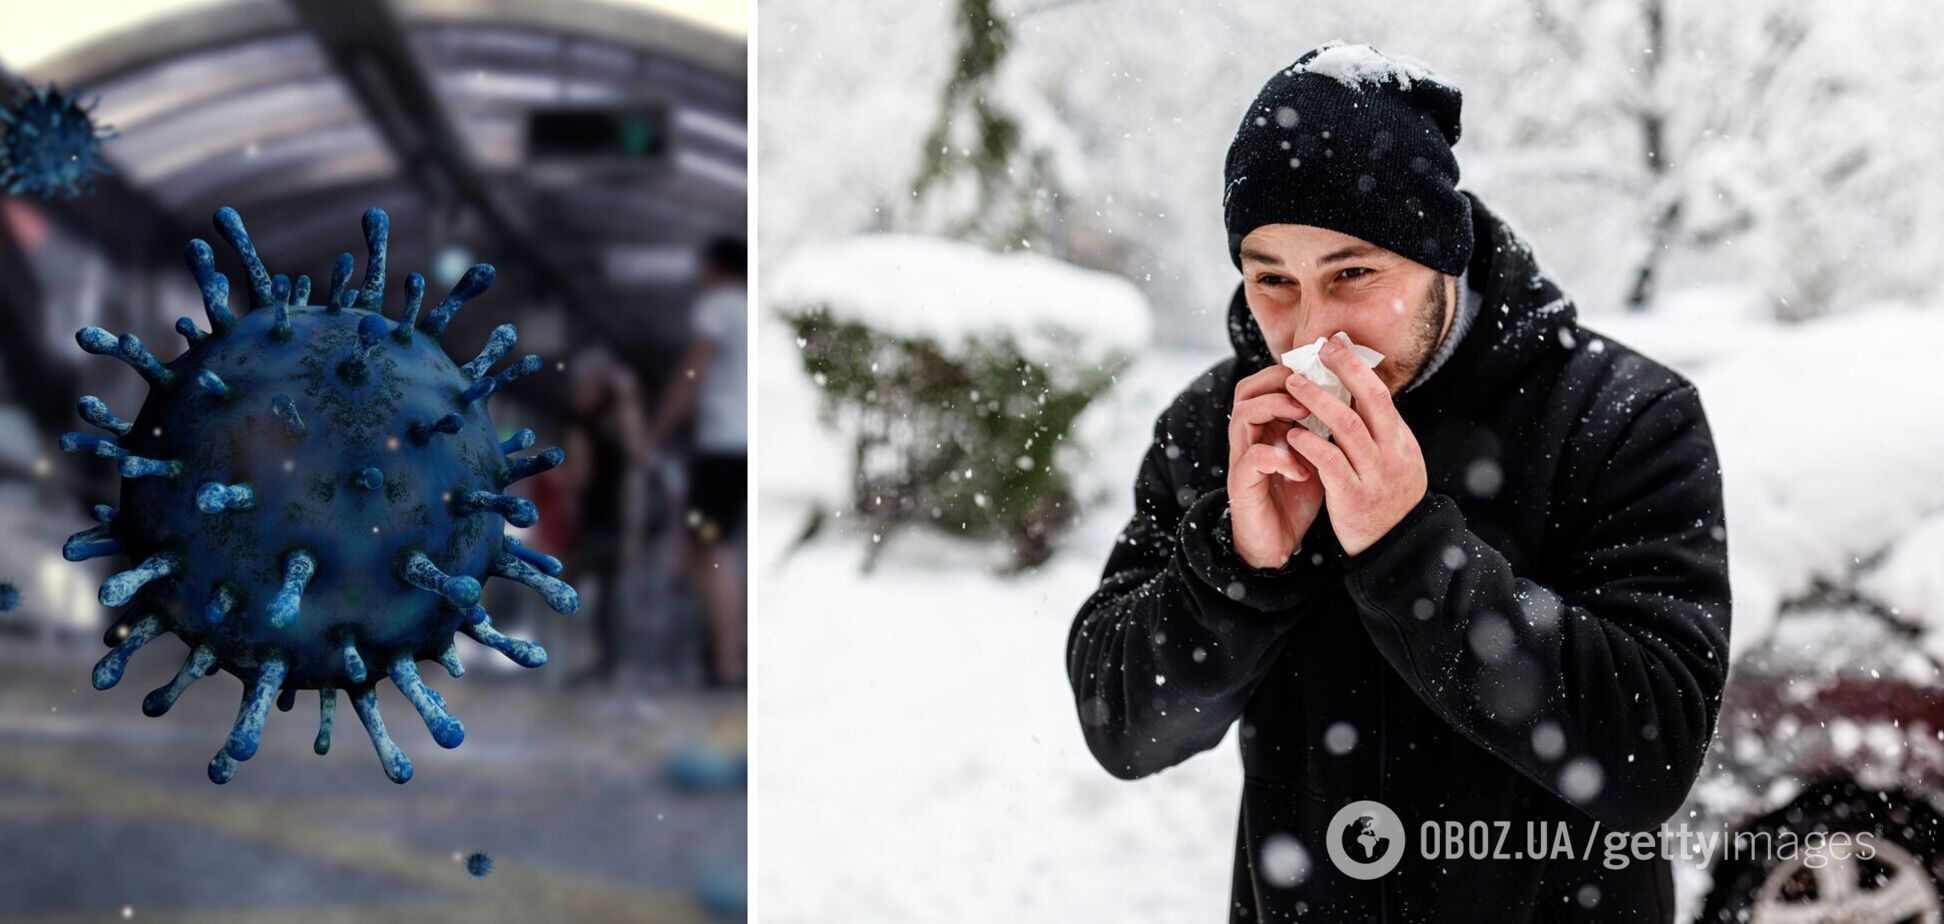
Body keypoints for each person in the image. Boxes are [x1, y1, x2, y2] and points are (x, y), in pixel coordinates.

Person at [1066, 43, 1731, 922]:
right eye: (1272, 281)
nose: (1308, 329)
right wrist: (1237, 566)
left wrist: (1411, 549)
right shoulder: (1219, 426)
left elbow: (1651, 760)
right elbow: (1122, 726)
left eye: (1352, 274)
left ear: (1441, 258)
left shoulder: (1626, 418)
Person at [648, 236, 747, 687]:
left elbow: (693, 372)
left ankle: (728, 660)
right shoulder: (747, 309)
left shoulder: (719, 307)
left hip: (721, 445)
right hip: (738, 445)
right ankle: (718, 649)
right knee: (699, 548)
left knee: (711, 548)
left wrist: (659, 427)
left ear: (716, 266)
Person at [559, 346, 653, 686]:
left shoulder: (582, 426)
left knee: (575, 593)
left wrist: (545, 473)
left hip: (591, 524)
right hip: (618, 522)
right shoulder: (619, 427)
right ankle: (607, 663)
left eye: (581, 386)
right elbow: (640, 454)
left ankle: (584, 663)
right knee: (609, 599)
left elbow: (578, 477)